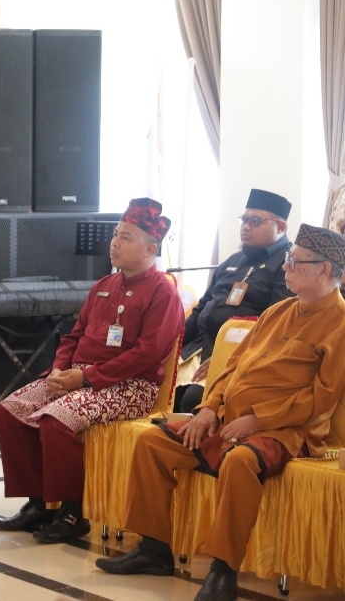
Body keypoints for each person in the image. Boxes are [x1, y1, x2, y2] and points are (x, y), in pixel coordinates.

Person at [95, 224, 345, 601]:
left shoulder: (340, 323)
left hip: (281, 432)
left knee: (240, 462)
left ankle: (223, 572)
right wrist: (209, 408)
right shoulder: (277, 311)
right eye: (288, 259)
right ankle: (154, 550)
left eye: (295, 261)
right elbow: (231, 367)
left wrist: (257, 420)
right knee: (151, 443)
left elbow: (319, 400)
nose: (285, 267)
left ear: (324, 270)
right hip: (227, 420)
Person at [0, 198, 185, 544]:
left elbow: (147, 354)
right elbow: (73, 336)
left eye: (125, 237)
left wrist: (88, 377)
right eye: (115, 234)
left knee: (55, 419)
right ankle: (39, 504)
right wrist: (58, 370)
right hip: (78, 376)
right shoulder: (103, 286)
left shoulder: (163, 293)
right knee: (10, 411)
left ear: (150, 248)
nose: (114, 242)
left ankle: (72, 513)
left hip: (130, 386)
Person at [174, 189, 293, 413]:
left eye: (255, 221)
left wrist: (228, 358)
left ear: (280, 227)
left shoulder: (288, 266)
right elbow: (201, 310)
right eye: (244, 220)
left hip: (243, 357)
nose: (245, 227)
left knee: (193, 399)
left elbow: (276, 325)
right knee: (161, 384)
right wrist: (173, 344)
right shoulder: (233, 260)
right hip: (199, 348)